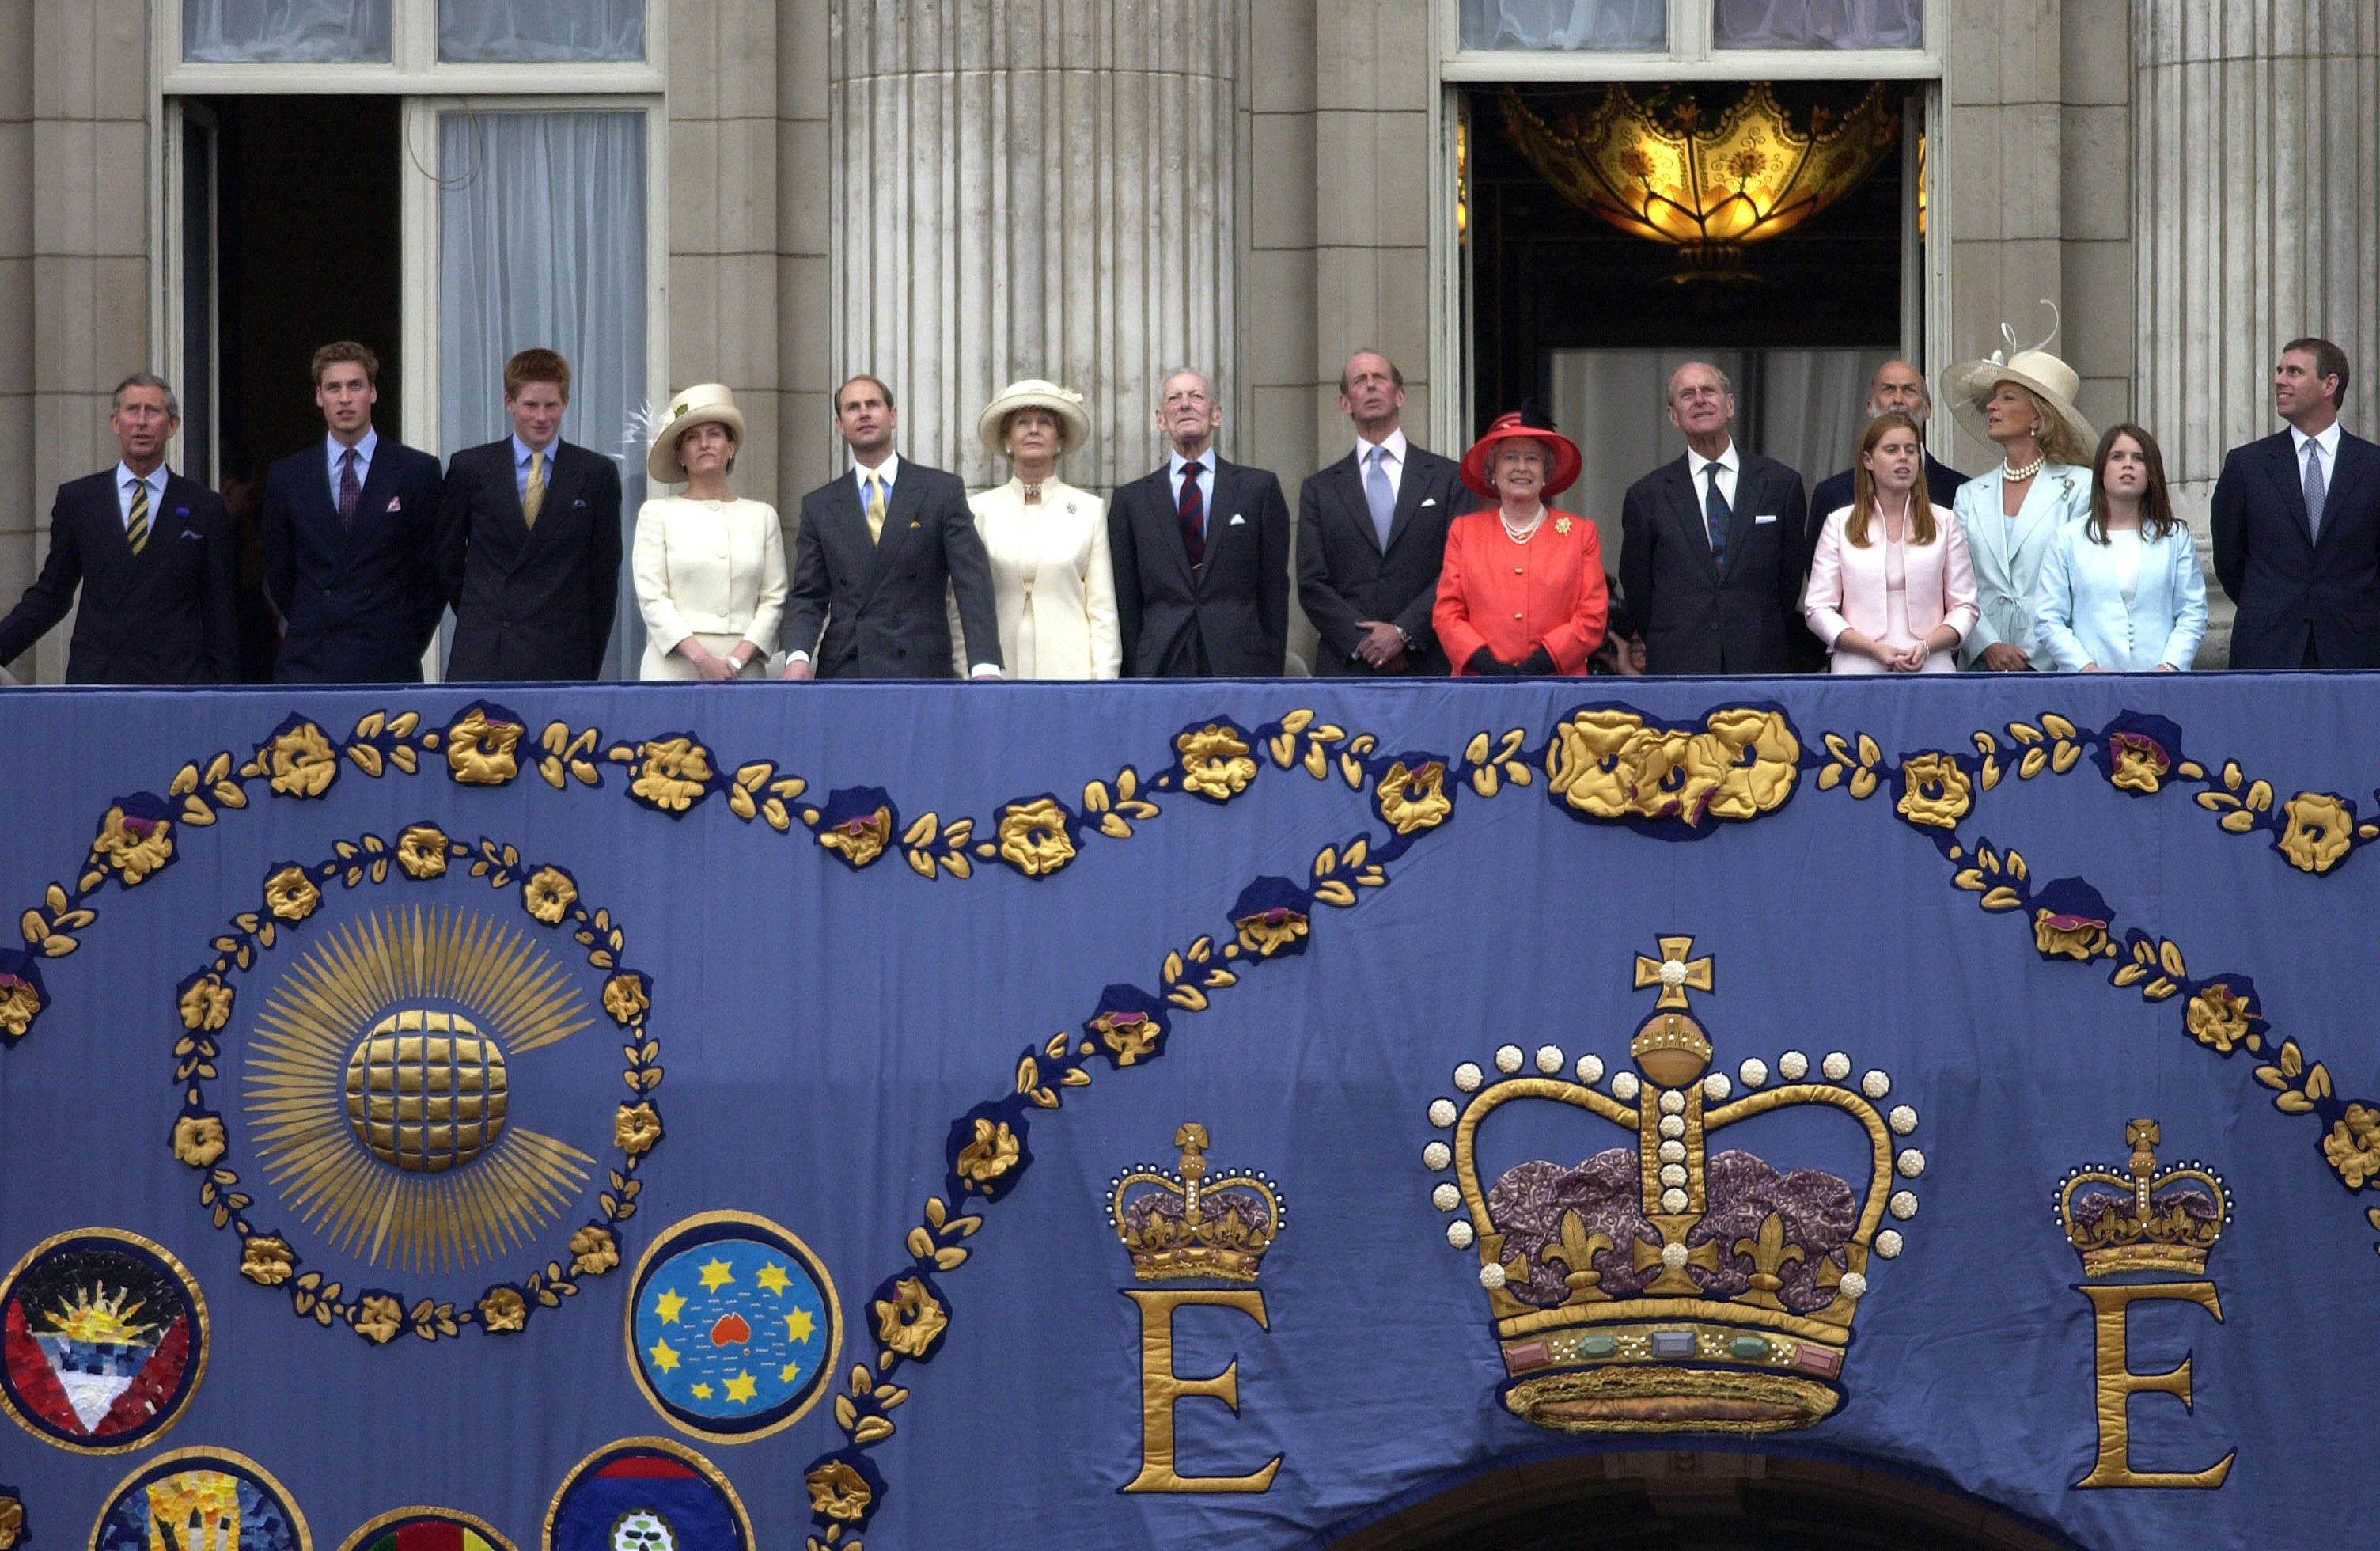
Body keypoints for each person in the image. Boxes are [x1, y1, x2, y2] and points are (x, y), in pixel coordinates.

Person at [0, 373, 237, 684]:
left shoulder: (204, 507)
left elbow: (219, 614)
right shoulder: (80, 500)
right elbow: (51, 595)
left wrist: (225, 698)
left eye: (152, 411)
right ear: (115, 422)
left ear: (172, 426)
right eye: (132, 410)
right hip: (99, 684)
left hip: (176, 687)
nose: (141, 422)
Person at [782, 374, 1001, 681]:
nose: (864, 413)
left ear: (892, 416)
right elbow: (808, 595)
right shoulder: (819, 506)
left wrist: (984, 665)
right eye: (852, 407)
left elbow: (971, 582)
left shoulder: (940, 490)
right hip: (846, 669)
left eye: (873, 404)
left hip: (921, 670)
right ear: (840, 426)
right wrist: (798, 657)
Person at [261, 342, 447, 683]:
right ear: (319, 397)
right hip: (310, 663)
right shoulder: (288, 476)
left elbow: (432, 573)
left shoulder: (415, 471)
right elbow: (279, 572)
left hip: (387, 662)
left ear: (373, 393)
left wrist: (401, 640)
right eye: (333, 387)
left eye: (355, 386)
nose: (344, 398)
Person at [438, 348, 623, 681]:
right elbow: (446, 560)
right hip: (486, 653)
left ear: (565, 403)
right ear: (509, 402)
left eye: (551, 405)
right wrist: (484, 613)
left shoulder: (595, 474)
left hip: (562, 654)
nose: (541, 417)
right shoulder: (471, 468)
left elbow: (603, 578)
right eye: (530, 405)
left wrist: (587, 659)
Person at [1617, 362, 1810, 674]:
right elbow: (1638, 588)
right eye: (1687, 395)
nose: (1699, 400)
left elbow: (1789, 579)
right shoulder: (1646, 496)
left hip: (1758, 659)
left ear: (1730, 404)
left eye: (1709, 390)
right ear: (1672, 416)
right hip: (1678, 663)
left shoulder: (1780, 484)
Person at [2211, 337, 2380, 669]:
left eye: (2294, 372)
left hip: (2356, 651)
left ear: (2329, 384)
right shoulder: (2247, 466)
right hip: (2268, 648)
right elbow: (2229, 559)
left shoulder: (2373, 466)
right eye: (2279, 371)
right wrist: (2272, 603)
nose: (2279, 380)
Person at [1109, 369, 1290, 677]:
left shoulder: (1258, 489)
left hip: (1242, 663)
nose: (1185, 404)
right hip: (1161, 663)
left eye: (1196, 396)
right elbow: (1126, 599)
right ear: (1160, 419)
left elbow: (1274, 591)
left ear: (1216, 414)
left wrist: (1270, 667)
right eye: (1174, 398)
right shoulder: (1132, 501)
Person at [1296, 351, 1466, 676]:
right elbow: (1311, 582)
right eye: (1360, 381)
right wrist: (1366, 643)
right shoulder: (1319, 489)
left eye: (1380, 378)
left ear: (1399, 395)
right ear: (1346, 403)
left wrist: (1403, 632)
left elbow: (1457, 572)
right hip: (1348, 667)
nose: (1371, 386)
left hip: (1427, 663)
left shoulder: (1446, 478)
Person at [1942, 332, 2094, 672]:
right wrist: (1988, 644)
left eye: (2007, 398)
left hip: (2053, 662)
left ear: (2037, 418)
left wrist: (2033, 656)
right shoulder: (1970, 495)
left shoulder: (2079, 486)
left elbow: (2079, 580)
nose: (1992, 407)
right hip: (1983, 663)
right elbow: (1957, 581)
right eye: (1993, 400)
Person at [960, 378, 1119, 679]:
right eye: (1023, 422)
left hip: (1071, 677)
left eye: (1044, 423)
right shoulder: (978, 510)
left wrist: (1104, 683)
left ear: (1059, 440)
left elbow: (1102, 609)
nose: (1033, 430)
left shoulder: (1088, 510)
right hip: (996, 675)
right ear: (1008, 440)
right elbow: (961, 606)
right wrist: (967, 673)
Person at [1433, 408, 1607, 677]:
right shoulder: (1465, 532)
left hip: (1557, 685)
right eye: (1510, 457)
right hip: (1480, 686)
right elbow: (1447, 612)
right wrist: (1484, 664)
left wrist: (1542, 662)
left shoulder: (1580, 534)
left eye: (1532, 459)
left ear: (1546, 471)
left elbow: (1592, 616)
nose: (1521, 467)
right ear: (1493, 470)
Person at [631, 383, 787, 681]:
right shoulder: (657, 514)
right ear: (680, 454)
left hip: (744, 669)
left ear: (730, 448)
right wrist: (702, 659)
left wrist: (737, 661)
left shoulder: (762, 516)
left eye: (714, 434)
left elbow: (774, 597)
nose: (704, 444)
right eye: (692, 438)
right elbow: (652, 597)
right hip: (674, 665)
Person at [1800, 412, 1976, 675]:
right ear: (1868, 460)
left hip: (1931, 665)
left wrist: (1926, 647)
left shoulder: (1945, 522)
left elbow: (1965, 605)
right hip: (1857, 665)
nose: (1903, 457)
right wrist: (1873, 649)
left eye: (1911, 450)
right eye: (1891, 450)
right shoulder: (1839, 523)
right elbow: (1817, 607)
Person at [2037, 424, 2206, 673]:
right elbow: (2048, 617)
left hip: (2160, 685)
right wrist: (2085, 668)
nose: (2128, 464)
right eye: (2117, 457)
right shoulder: (2067, 539)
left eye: (2138, 458)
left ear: (2151, 473)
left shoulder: (2174, 538)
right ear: (2101, 470)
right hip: (2088, 687)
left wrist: (2169, 666)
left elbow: (2192, 611)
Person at [1808, 359, 1969, 526]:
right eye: (1888, 390)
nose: (1898, 399)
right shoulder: (1831, 495)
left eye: (1909, 390)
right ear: (1869, 407)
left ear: (1927, 408)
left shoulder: (1962, 493)